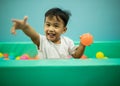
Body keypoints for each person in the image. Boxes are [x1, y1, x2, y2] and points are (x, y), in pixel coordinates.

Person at [11, 7, 86, 59]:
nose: (50, 29)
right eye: (48, 25)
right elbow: (33, 35)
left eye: (56, 26)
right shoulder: (42, 41)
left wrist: (82, 45)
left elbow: (76, 56)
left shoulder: (68, 42)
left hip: (62, 72)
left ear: (64, 30)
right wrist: (25, 27)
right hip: (44, 72)